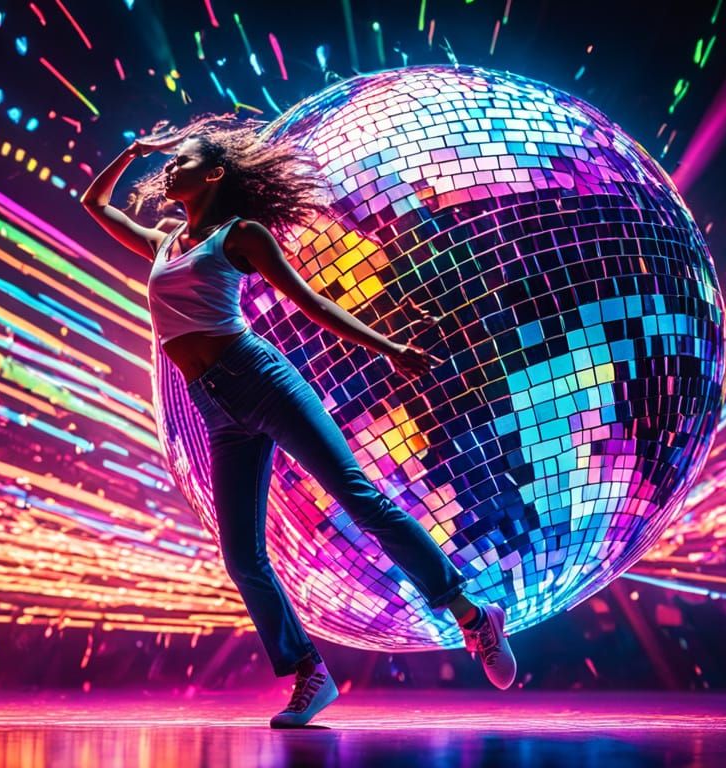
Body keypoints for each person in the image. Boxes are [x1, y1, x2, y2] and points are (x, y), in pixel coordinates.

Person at [80, 114, 515, 727]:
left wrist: (388, 349)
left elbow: (310, 302)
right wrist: (132, 147)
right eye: (167, 163)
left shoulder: (240, 234)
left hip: (260, 378)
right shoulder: (164, 241)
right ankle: (309, 672)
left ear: (215, 174)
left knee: (359, 499)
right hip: (216, 402)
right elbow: (93, 202)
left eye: (182, 162)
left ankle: (471, 614)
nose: (169, 169)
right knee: (241, 555)